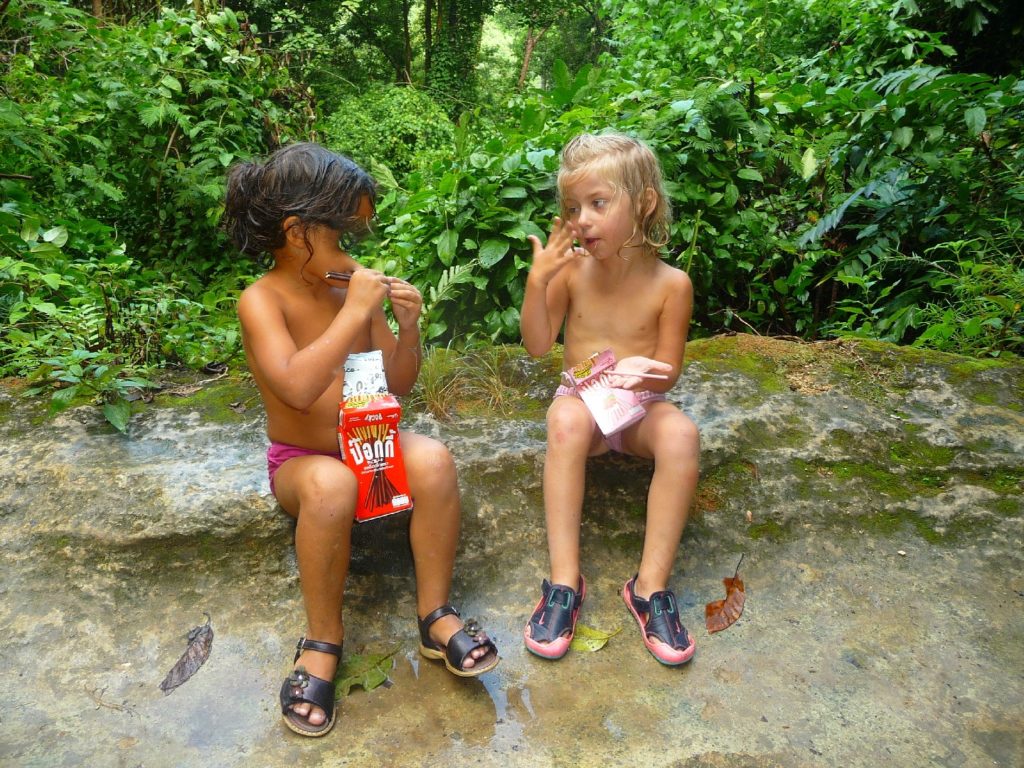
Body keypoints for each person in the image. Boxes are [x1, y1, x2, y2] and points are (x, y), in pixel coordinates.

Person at [225, 142, 498, 738]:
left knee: (433, 460)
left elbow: (396, 382)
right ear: (298, 233)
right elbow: (297, 388)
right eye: (343, 235)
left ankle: (435, 614)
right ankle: (323, 639)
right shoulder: (262, 301)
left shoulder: (354, 288)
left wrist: (409, 325)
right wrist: (354, 312)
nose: (353, 252)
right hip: (304, 463)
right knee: (331, 483)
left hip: (370, 441)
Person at [519, 132, 700, 666]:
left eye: (599, 203)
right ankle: (563, 583)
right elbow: (535, 345)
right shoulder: (572, 272)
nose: (583, 220)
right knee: (567, 424)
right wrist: (538, 283)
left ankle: (649, 587)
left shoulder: (672, 284)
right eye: (574, 207)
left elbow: (667, 374)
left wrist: (646, 375)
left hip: (639, 408)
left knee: (682, 435)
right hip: (582, 401)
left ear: (643, 202)